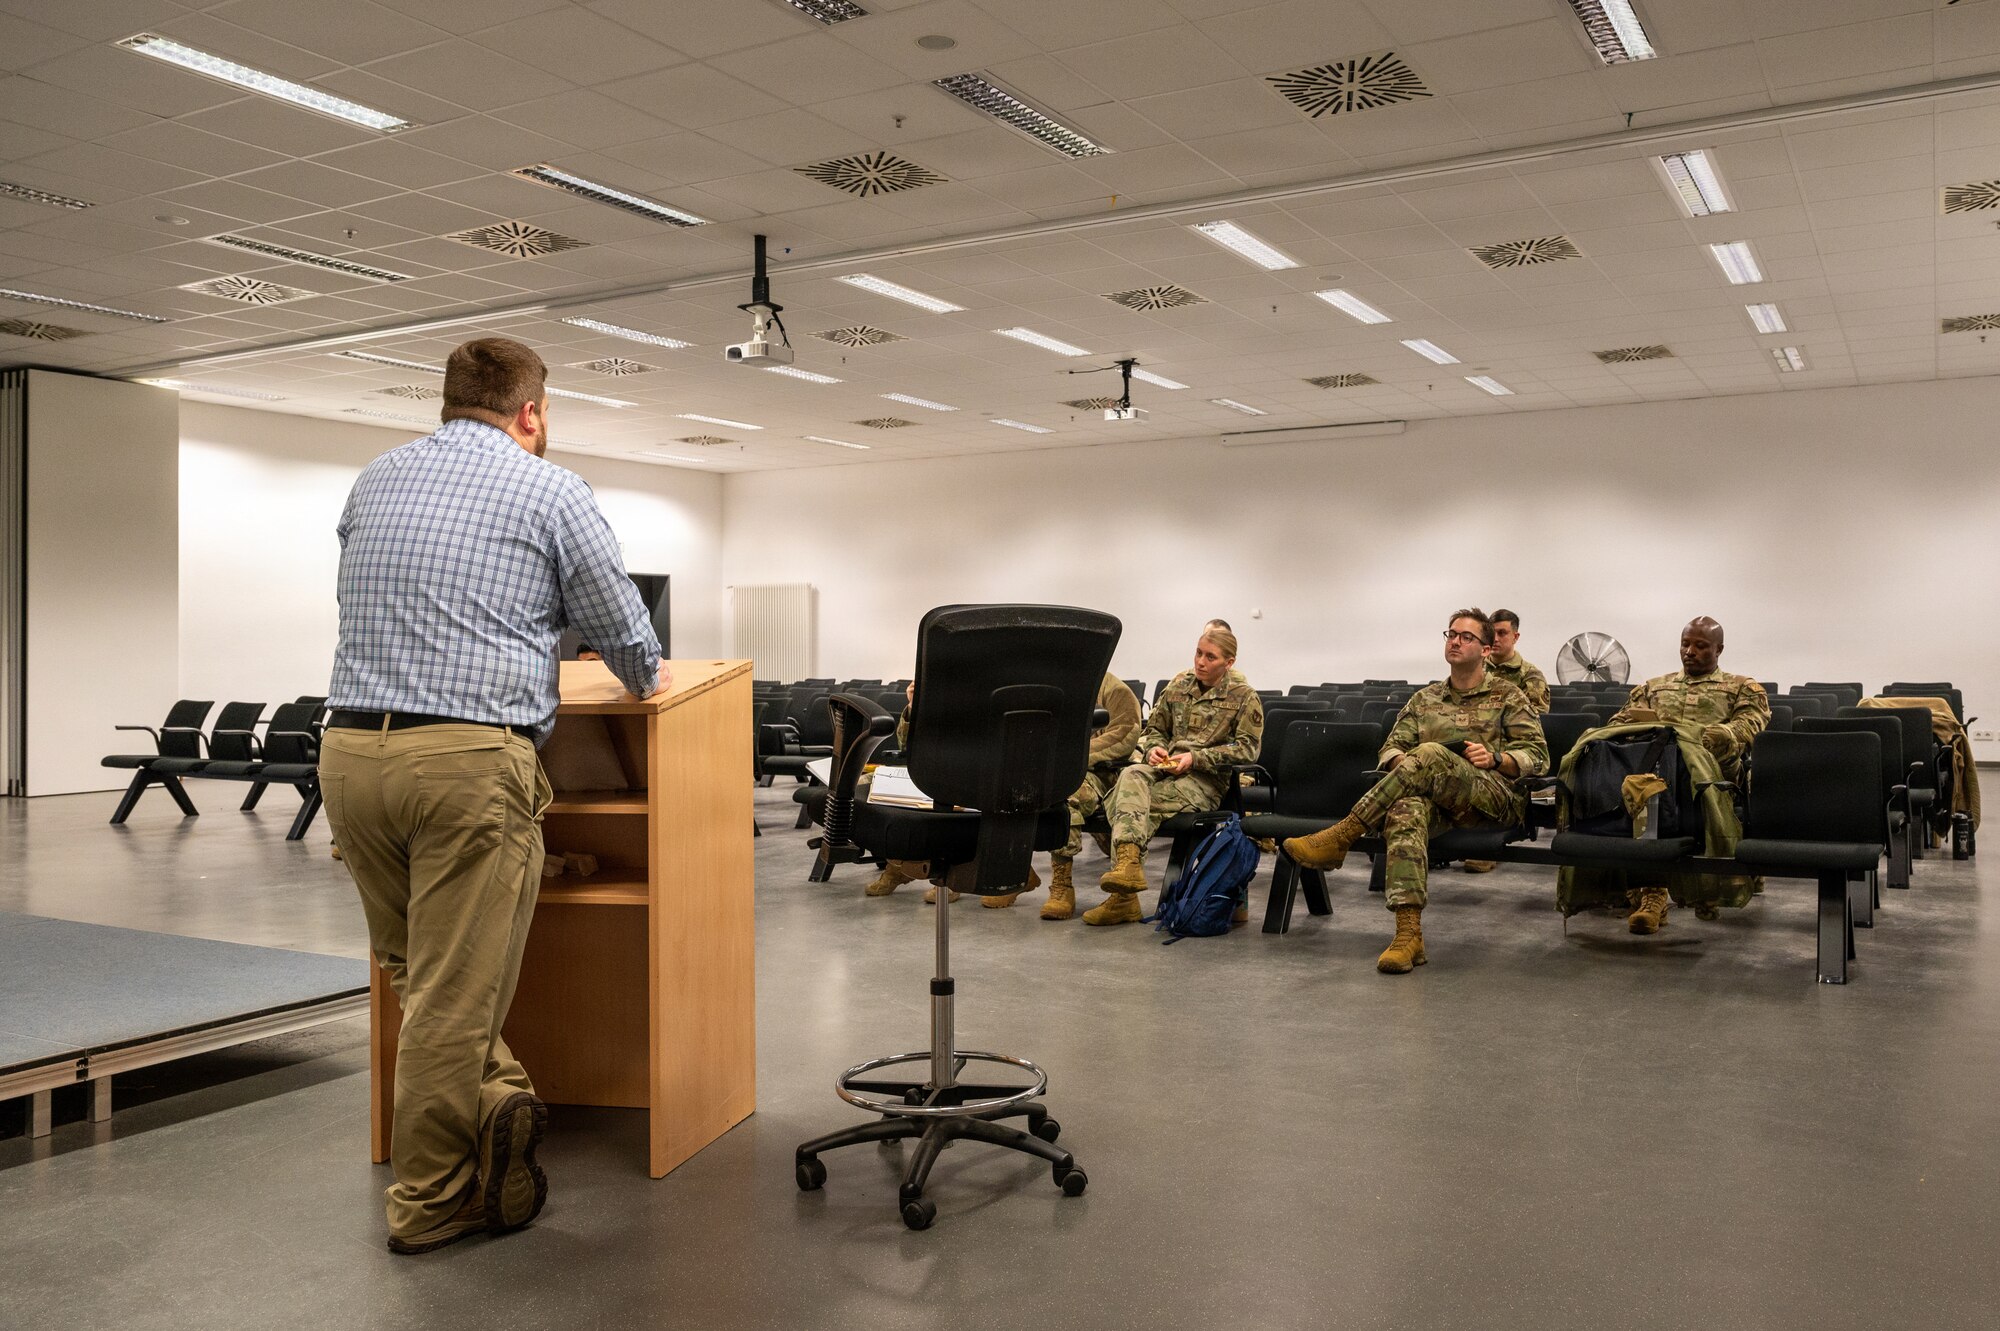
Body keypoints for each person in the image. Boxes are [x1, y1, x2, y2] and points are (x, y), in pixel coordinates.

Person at [320, 337, 667, 1255]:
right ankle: (432, 1200)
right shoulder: (551, 489)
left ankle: (500, 1093)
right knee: (451, 998)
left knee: (416, 973)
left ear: (447, 402)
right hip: (466, 766)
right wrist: (637, 671)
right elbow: (628, 636)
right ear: (532, 412)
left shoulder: (374, 480)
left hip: (351, 755)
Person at [1281, 609, 1547, 973]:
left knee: (1431, 752)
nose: (1454, 641)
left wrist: (1498, 757)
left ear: (1486, 650)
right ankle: (1408, 935)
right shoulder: (1426, 699)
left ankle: (1343, 834)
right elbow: (1390, 749)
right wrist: (1404, 764)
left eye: (1466, 637)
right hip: (1437, 800)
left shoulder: (1509, 696)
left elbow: (1538, 756)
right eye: (1450, 634)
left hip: (1493, 798)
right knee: (1407, 807)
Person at [1087, 627, 1263, 926]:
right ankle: (1127, 870)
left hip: (1204, 781)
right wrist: (1154, 749)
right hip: (1164, 769)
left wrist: (1197, 757)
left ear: (1229, 662)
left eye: (1210, 657)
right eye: (1198, 652)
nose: (1201, 662)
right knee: (1132, 773)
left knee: (1126, 801)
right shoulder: (1179, 685)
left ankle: (1124, 898)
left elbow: (1247, 749)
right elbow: (1155, 729)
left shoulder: (1244, 697)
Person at [1604, 616, 1768, 927]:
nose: (1689, 651)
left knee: (1654, 788)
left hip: (1714, 774)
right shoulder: (1653, 686)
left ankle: (1663, 890)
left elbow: (1749, 726)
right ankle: (1650, 891)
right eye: (1685, 644)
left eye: (1700, 646)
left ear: (1719, 649)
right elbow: (1618, 723)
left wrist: (1721, 735)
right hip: (1655, 774)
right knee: (1642, 786)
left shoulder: (1742, 688)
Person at [1027, 673, 1143, 920]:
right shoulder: (1054, 686)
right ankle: (1020, 873)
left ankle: (1061, 887)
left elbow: (1125, 733)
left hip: (1104, 770)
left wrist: (1074, 759)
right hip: (1064, 770)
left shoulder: (1113, 689)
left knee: (1067, 794)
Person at [1462, 608, 1549, 873]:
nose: (1496, 638)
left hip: (1507, 755)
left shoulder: (1529, 676)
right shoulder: (1475, 669)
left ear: (1516, 636)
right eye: (1493, 633)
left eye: (1502, 633)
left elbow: (1532, 728)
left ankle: (1483, 844)